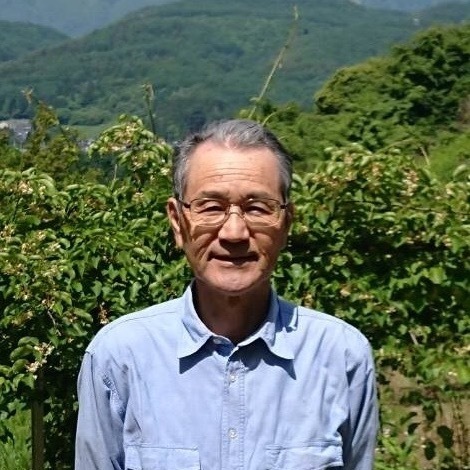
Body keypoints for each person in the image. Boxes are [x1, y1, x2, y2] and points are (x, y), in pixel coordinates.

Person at [75, 119, 378, 469]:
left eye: (257, 208)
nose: (234, 232)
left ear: (286, 223)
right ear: (177, 222)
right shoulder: (120, 356)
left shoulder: (340, 357)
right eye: (211, 207)